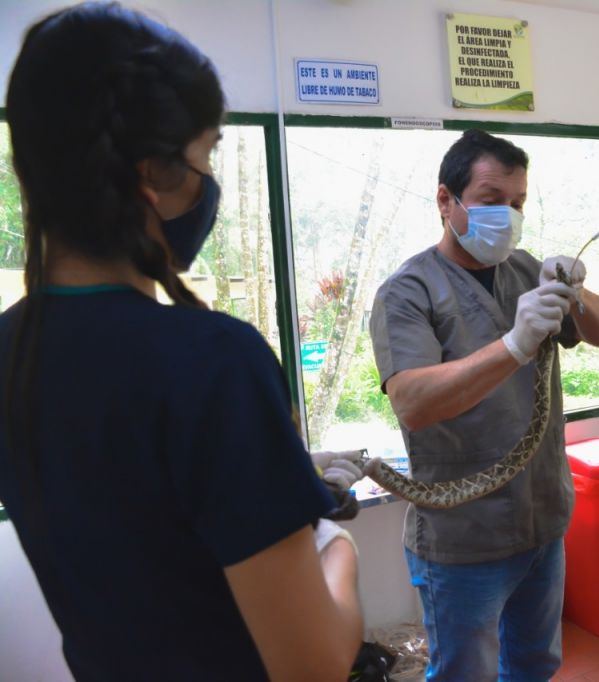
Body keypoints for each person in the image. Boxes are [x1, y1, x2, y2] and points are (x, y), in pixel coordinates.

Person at [0, 4, 365, 680]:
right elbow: (313, 664)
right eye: (205, 157)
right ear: (151, 176)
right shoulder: (211, 359)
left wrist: (272, 475)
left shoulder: (10, 351)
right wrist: (330, 543)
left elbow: (132, 505)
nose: (208, 183)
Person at [369, 129, 599, 681]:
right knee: (466, 673)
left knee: (535, 664)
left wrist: (579, 291)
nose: (507, 216)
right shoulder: (407, 292)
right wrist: (514, 345)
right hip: (463, 537)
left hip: (542, 521)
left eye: (518, 203)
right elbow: (412, 402)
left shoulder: (527, 269)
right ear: (447, 201)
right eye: (490, 201)